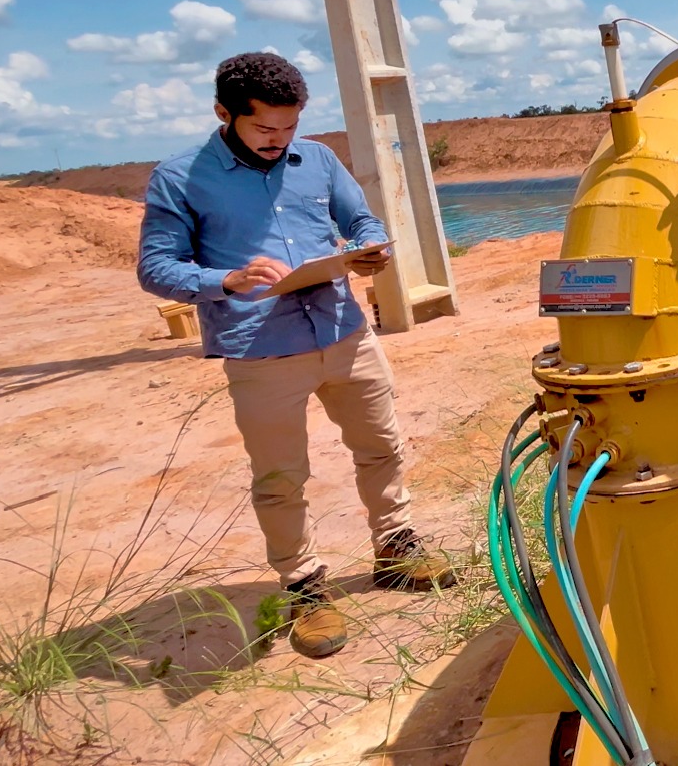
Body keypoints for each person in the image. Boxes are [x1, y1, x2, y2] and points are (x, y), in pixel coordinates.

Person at [137, 52, 455, 659]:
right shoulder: (179, 177)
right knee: (282, 478)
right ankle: (303, 585)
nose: (279, 142)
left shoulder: (319, 159)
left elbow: (360, 218)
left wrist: (367, 247)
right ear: (223, 114)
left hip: (344, 332)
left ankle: (395, 548)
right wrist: (227, 279)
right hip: (260, 351)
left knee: (382, 445)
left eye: (289, 127)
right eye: (264, 130)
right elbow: (156, 268)